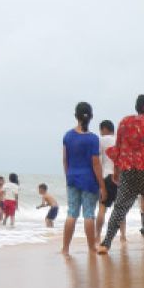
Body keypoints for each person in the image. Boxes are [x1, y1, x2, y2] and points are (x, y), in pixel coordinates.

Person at [100, 94, 144, 254]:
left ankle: (105, 244)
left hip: (128, 171)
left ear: (137, 107)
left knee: (119, 209)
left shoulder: (125, 122)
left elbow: (119, 149)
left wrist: (117, 171)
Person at [61, 102, 106, 255]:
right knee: (88, 214)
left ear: (76, 116)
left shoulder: (68, 136)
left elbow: (65, 160)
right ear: (91, 117)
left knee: (71, 213)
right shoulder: (93, 139)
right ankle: (91, 247)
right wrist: (102, 186)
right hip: (89, 180)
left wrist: (69, 177)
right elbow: (96, 164)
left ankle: (65, 248)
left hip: (73, 178)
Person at [96, 120, 122, 242]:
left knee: (102, 208)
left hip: (106, 176)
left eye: (101, 130)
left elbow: (98, 162)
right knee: (120, 209)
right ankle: (123, 236)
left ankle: (97, 236)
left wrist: (99, 181)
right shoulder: (118, 140)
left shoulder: (100, 141)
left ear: (104, 129)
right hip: (119, 177)